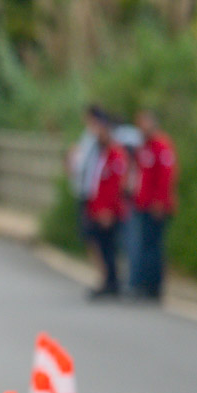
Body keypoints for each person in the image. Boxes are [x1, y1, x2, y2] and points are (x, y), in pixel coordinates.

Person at [130, 110, 176, 300]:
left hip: (156, 206)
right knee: (145, 246)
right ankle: (144, 284)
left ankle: (154, 287)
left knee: (153, 248)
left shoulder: (162, 146)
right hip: (143, 204)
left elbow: (166, 176)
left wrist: (159, 201)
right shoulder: (144, 147)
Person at [84, 110, 128, 299]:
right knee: (102, 246)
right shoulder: (103, 153)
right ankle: (107, 280)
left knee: (109, 248)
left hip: (109, 211)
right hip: (98, 209)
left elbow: (115, 186)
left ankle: (112, 282)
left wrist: (107, 210)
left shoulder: (116, 154)